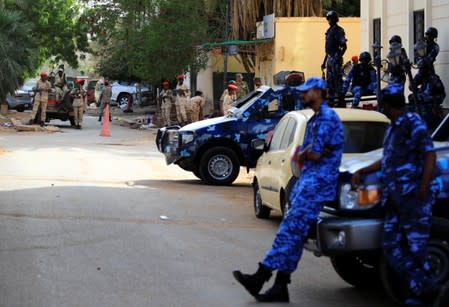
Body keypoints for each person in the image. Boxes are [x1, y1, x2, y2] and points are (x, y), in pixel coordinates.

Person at [232, 77, 344, 303]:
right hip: (310, 181)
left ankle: (260, 277)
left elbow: (317, 153)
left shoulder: (327, 118)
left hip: (317, 185)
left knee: (289, 232)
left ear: (318, 92)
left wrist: (303, 154)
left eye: (306, 92)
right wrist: (304, 154)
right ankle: (280, 285)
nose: (302, 95)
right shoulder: (316, 118)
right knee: (294, 235)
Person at [351, 85, 439, 306]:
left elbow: (429, 155)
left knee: (416, 249)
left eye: (384, 104)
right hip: (395, 200)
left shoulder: (413, 123)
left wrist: (423, 187)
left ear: (388, 105)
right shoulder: (393, 128)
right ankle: (424, 285)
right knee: (391, 248)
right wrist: (362, 171)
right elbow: (387, 160)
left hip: (414, 199)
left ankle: (421, 295)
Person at [321, 10, 347, 106]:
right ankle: (331, 103)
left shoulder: (339, 31)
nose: (329, 20)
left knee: (337, 81)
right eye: (328, 19)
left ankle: (341, 102)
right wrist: (324, 62)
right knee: (329, 82)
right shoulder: (329, 31)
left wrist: (337, 57)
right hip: (329, 59)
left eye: (330, 18)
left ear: (334, 19)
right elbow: (327, 50)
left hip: (335, 58)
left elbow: (344, 47)